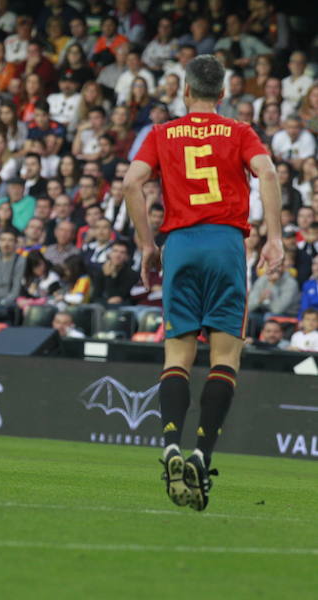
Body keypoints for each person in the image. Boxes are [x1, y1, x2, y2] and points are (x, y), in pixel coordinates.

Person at [124, 54, 283, 512]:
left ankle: (171, 446)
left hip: (180, 247)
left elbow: (133, 184)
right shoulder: (238, 131)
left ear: (186, 93)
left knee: (177, 354)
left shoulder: (162, 133)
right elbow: (268, 172)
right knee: (226, 356)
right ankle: (201, 454)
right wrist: (274, 239)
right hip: (225, 244)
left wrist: (147, 246)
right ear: (224, 95)